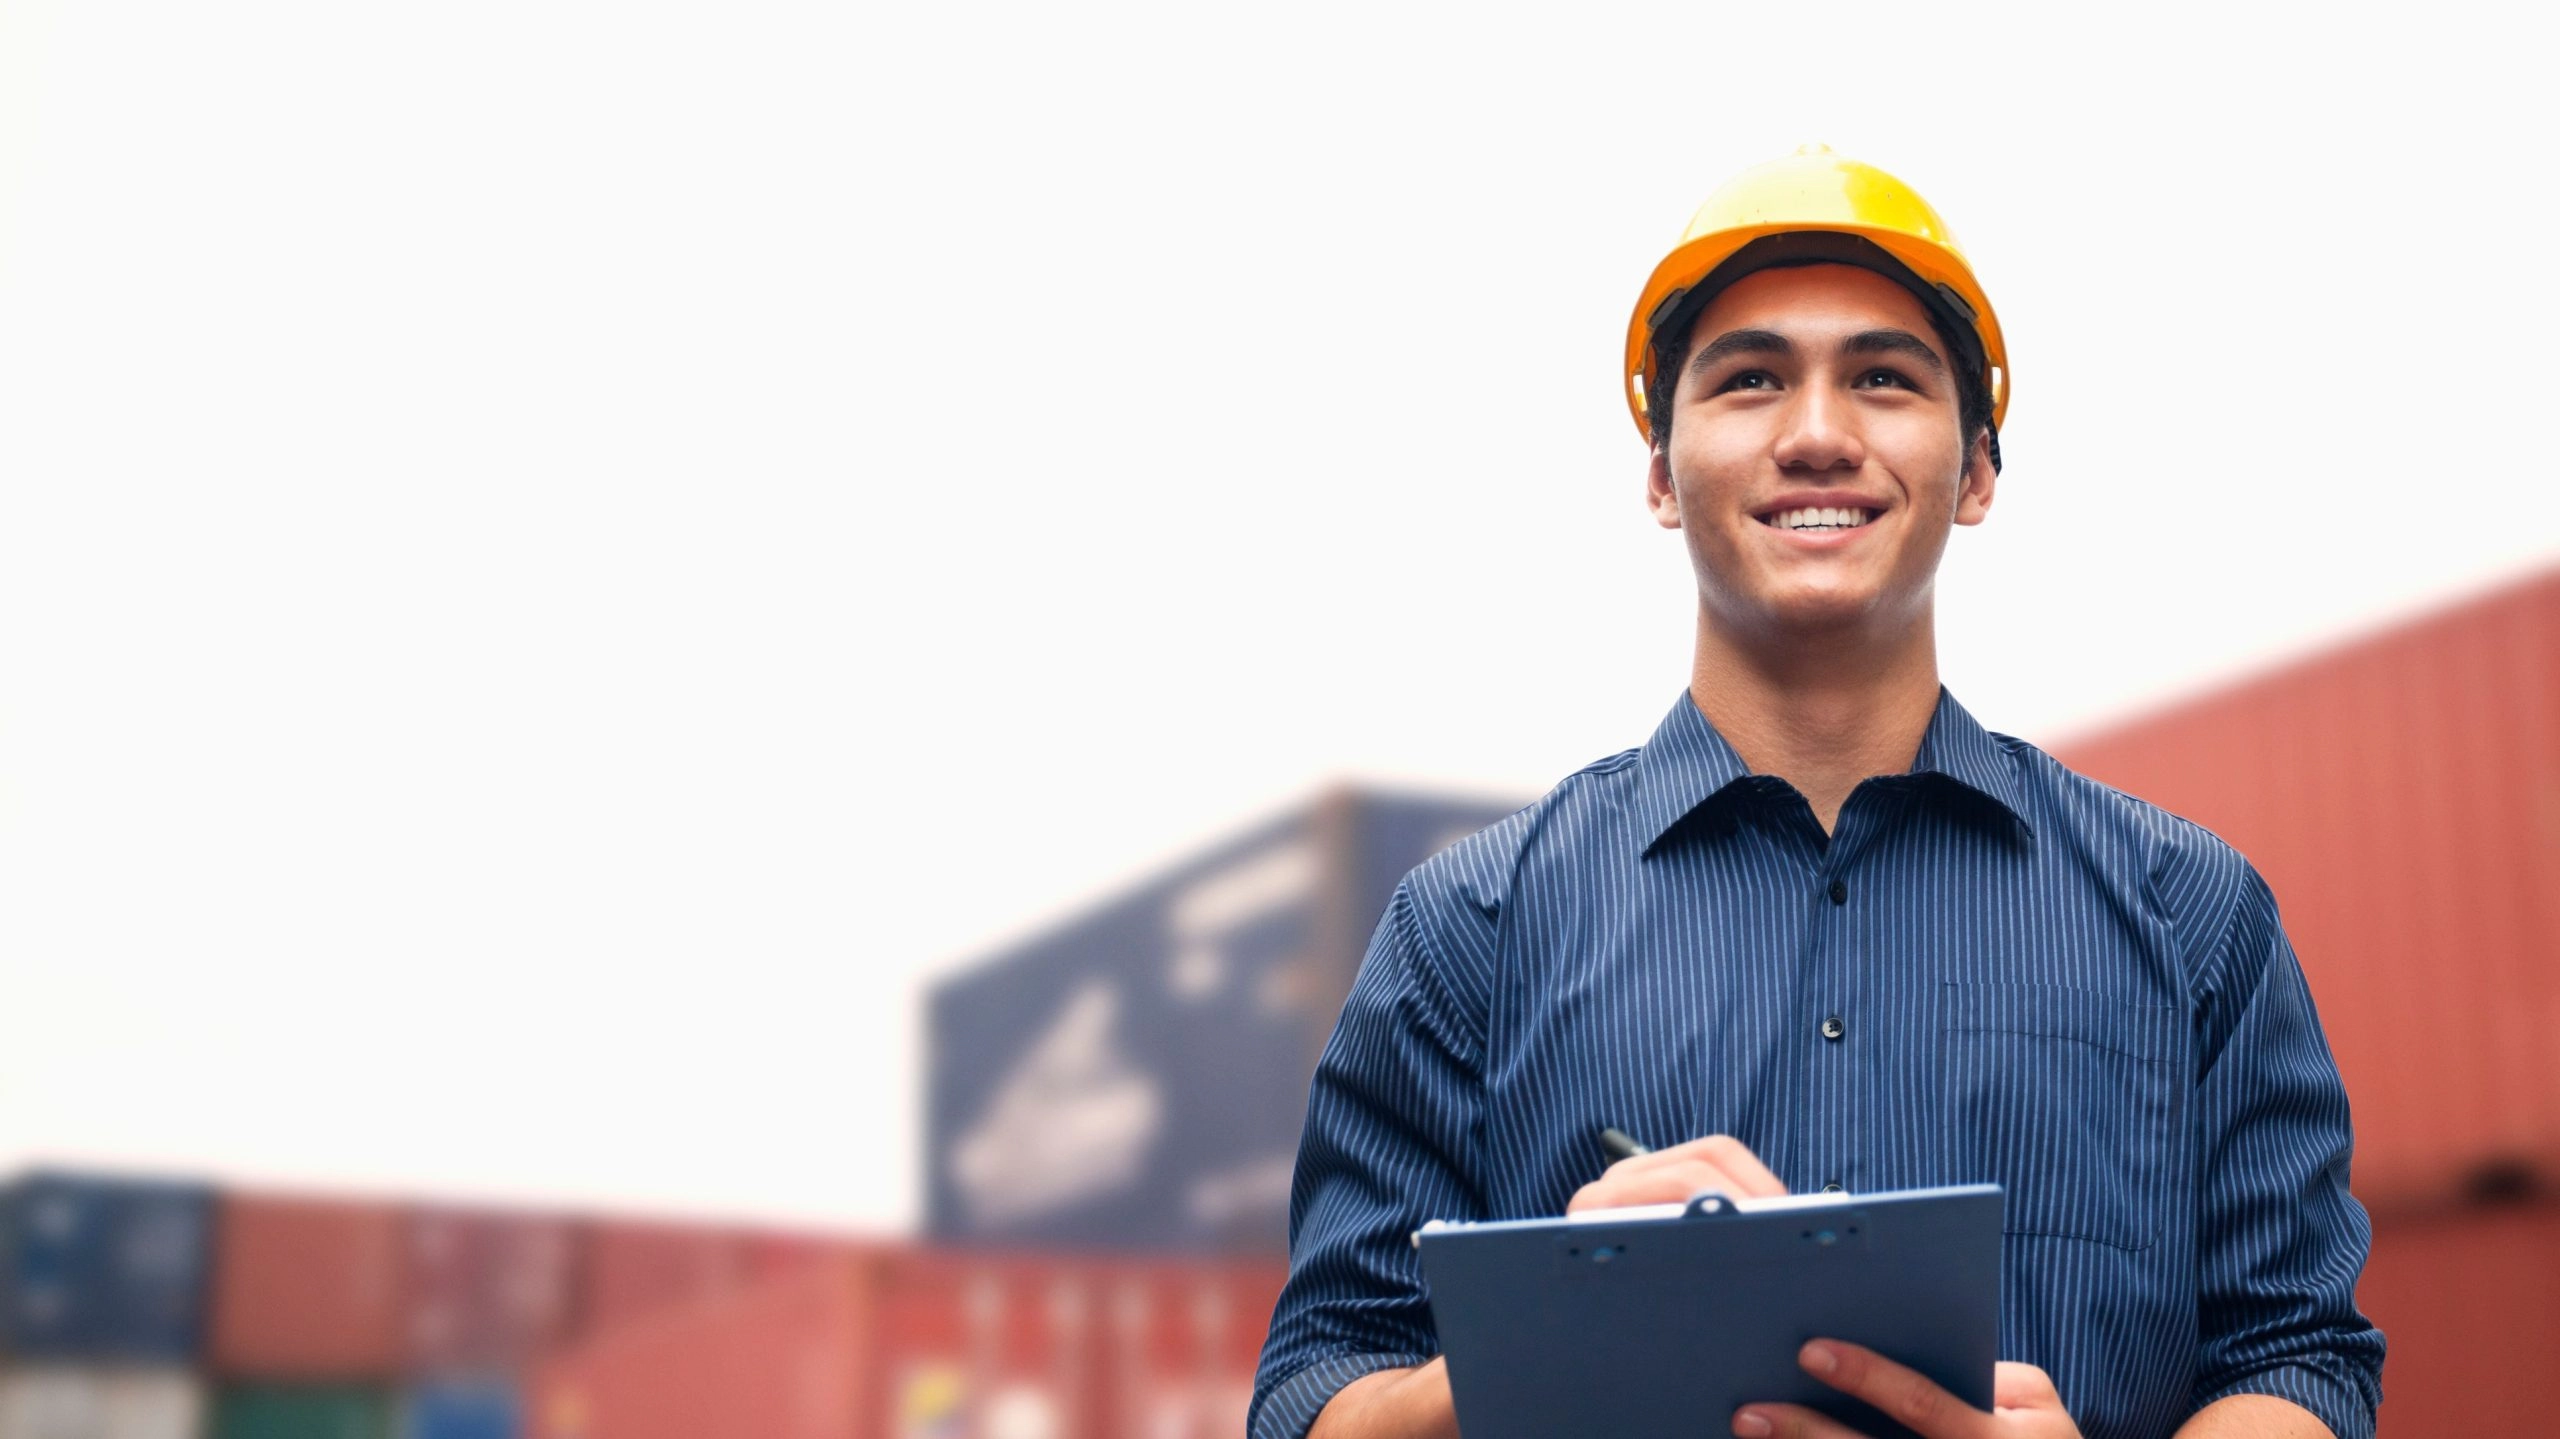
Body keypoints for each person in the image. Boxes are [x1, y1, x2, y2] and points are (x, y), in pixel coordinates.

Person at [1246, 147, 2384, 1439]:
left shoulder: (2194, 914)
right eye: (1749, 380)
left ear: (1976, 474)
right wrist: (1543, 1325)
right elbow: (1310, 1397)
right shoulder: (1468, 931)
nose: (1819, 433)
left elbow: (2303, 1362)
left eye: (1885, 379)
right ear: (1665, 476)